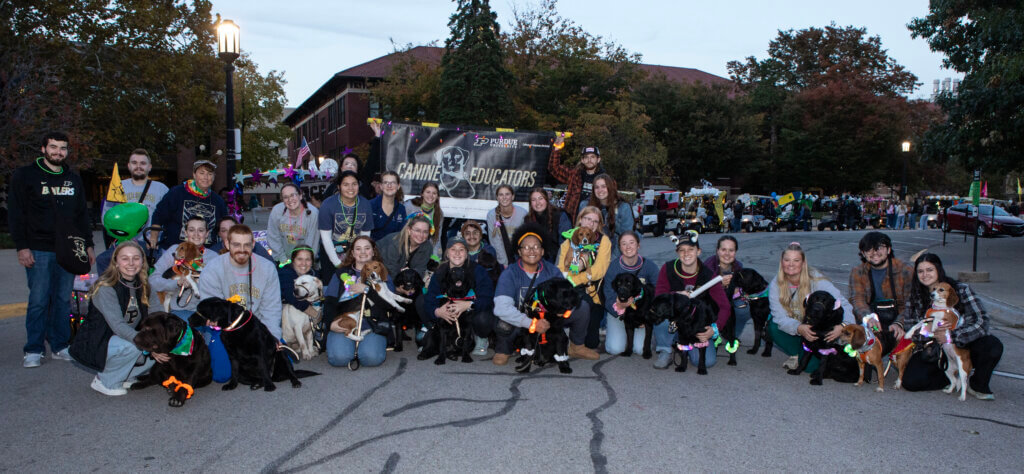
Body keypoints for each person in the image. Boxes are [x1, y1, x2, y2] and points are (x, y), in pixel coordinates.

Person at [9, 131, 95, 368]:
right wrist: (22, 247)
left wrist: (88, 244)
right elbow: (16, 214)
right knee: (38, 299)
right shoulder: (25, 176)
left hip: (68, 249)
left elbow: (81, 216)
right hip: (38, 248)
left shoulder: (73, 179)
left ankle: (59, 345)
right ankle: (34, 349)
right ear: (43, 149)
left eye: (63, 148)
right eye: (54, 147)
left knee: (62, 300)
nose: (58, 152)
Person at [489, 223, 597, 366]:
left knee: (582, 307)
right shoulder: (510, 274)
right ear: (519, 252)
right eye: (526, 247)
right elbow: (501, 308)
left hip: (549, 318)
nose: (531, 251)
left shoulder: (552, 271)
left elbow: (570, 296)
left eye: (536, 247)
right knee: (503, 322)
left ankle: (576, 346)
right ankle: (504, 349)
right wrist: (532, 324)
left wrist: (564, 311)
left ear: (542, 251)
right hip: (522, 318)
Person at [899, 254, 1003, 399]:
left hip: (963, 341)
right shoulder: (915, 296)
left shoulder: (960, 290)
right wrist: (933, 332)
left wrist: (952, 335)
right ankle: (953, 376)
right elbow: (912, 328)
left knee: (992, 346)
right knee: (911, 382)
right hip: (936, 348)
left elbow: (981, 321)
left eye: (929, 270)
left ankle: (978, 384)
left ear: (939, 270)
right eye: (920, 271)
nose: (925, 275)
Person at [72, 242, 162, 396]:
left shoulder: (146, 285)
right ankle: (105, 380)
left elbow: (158, 317)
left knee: (162, 353)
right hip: (100, 339)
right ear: (116, 262)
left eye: (136, 258)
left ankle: (126, 375)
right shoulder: (106, 287)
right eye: (125, 259)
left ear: (142, 261)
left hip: (124, 337)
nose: (131, 263)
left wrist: (160, 343)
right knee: (135, 346)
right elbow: (118, 326)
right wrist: (149, 345)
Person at [768, 242, 855, 373]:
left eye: (796, 260)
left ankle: (809, 355)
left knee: (811, 368)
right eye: (787, 260)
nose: (791, 264)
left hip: (819, 333)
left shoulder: (817, 281)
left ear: (803, 263)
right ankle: (796, 353)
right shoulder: (776, 283)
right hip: (798, 329)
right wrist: (798, 328)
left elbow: (844, 305)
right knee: (772, 326)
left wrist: (843, 326)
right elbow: (779, 317)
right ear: (782, 262)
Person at [651, 231, 731, 369]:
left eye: (690, 249)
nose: (686, 254)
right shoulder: (668, 269)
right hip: (672, 321)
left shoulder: (708, 275)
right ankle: (665, 349)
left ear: (698, 251)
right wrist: (677, 294)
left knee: (707, 362)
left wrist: (714, 329)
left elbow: (725, 307)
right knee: (661, 315)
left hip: (694, 324)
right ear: (677, 252)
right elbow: (659, 297)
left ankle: (678, 343)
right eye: (681, 250)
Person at [198, 224, 282, 340]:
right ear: (227, 244)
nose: (242, 250)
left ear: (253, 244)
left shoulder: (267, 268)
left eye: (246, 245)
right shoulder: (212, 269)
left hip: (257, 327)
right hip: (224, 330)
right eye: (236, 245)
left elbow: (271, 311)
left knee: (281, 355)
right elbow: (215, 312)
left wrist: (273, 339)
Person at [321, 236, 391, 367]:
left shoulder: (382, 272)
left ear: (373, 251)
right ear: (353, 253)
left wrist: (367, 290)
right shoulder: (340, 274)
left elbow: (389, 305)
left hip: (371, 324)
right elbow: (329, 302)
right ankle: (348, 346)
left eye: (367, 248)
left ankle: (364, 347)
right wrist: (330, 323)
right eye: (358, 249)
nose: (363, 252)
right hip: (344, 322)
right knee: (339, 358)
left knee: (371, 358)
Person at [423, 238, 496, 357]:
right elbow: (430, 297)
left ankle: (480, 336)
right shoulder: (440, 272)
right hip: (448, 311)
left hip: (470, 313)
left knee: (484, 317)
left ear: (466, 253)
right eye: (453, 249)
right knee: (421, 301)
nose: (457, 253)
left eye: (461, 250)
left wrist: (469, 305)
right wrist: (437, 312)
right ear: (447, 253)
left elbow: (488, 298)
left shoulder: (478, 270)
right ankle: (434, 336)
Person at [558, 206, 612, 352]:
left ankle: (578, 336)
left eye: (595, 221)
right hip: (569, 288)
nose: (590, 223)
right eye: (588, 219)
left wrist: (575, 278)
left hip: (591, 291)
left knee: (591, 343)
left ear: (599, 224)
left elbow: (598, 271)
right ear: (581, 219)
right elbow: (561, 269)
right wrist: (572, 278)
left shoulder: (604, 241)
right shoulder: (568, 241)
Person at [149, 217, 218, 321]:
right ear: (185, 233)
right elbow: (152, 280)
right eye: (191, 230)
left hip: (205, 312)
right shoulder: (174, 251)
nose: (196, 234)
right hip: (178, 310)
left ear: (207, 233)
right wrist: (176, 284)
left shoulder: (214, 258)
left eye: (200, 230)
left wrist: (197, 284)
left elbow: (218, 288)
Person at [602, 231, 660, 356]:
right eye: (624, 244)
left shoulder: (650, 266)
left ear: (638, 245)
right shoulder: (613, 267)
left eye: (631, 243)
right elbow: (608, 294)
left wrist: (651, 315)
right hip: (619, 311)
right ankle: (615, 332)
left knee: (639, 350)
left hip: (642, 312)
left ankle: (652, 337)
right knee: (615, 349)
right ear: (620, 248)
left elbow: (659, 290)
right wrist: (619, 308)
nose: (628, 247)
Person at [150, 159, 227, 250]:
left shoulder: (218, 201)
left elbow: (224, 225)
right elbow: (159, 216)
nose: (206, 177)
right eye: (202, 173)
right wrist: (153, 238)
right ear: (194, 175)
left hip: (206, 254)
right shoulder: (177, 193)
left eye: (210, 174)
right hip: (174, 251)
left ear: (214, 177)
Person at [100, 148, 169, 249]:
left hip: (151, 245)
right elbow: (107, 217)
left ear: (149, 167)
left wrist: (157, 237)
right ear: (129, 166)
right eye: (134, 163)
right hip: (124, 244)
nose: (138, 166)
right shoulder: (118, 187)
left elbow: (168, 217)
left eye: (143, 163)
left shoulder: (161, 189)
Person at [848, 232, 912, 339]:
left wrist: (899, 323)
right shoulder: (857, 272)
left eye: (879, 248)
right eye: (869, 250)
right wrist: (869, 318)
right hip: (872, 322)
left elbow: (911, 303)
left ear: (888, 250)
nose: (874, 253)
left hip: (901, 321)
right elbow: (857, 300)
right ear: (863, 253)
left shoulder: (905, 270)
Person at [318, 170, 375, 280]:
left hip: (355, 254)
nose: (351, 188)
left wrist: (361, 259)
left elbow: (365, 237)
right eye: (346, 184)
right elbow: (326, 238)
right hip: (331, 252)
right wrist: (337, 263)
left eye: (354, 184)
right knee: (333, 289)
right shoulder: (327, 205)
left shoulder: (365, 204)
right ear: (339, 187)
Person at [703, 235, 752, 346]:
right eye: (723, 249)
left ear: (735, 252)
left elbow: (742, 286)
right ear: (717, 250)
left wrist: (739, 289)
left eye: (731, 250)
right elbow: (702, 291)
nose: (727, 254)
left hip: (730, 298)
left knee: (744, 309)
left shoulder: (738, 266)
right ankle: (713, 333)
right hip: (711, 301)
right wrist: (719, 285)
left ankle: (732, 336)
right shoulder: (708, 265)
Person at [547, 135, 605, 222]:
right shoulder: (575, 175)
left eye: (592, 157)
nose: (589, 160)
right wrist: (557, 147)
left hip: (594, 222)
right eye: (586, 157)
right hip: (573, 219)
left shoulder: (605, 179)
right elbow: (554, 168)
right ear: (582, 160)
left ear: (598, 159)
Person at [578, 175, 635, 255]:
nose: (600, 190)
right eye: (597, 187)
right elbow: (579, 232)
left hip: (614, 254)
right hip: (590, 253)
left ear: (610, 187)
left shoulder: (623, 207)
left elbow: (627, 236)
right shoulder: (585, 206)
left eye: (603, 186)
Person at [266, 183, 320, 265]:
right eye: (285, 197)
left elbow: (312, 242)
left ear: (300, 196)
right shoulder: (277, 211)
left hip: (306, 262)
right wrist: (283, 260)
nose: (290, 199)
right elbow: (273, 237)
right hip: (283, 260)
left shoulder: (312, 214)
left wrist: (303, 263)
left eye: (293, 195)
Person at [278, 246, 320, 343]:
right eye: (299, 259)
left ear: (312, 262)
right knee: (291, 307)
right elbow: (293, 298)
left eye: (308, 260)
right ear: (293, 260)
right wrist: (316, 315)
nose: (304, 264)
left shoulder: (314, 274)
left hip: (305, 312)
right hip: (283, 312)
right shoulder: (285, 273)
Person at [524, 187, 571, 263]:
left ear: (546, 200)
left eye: (540, 198)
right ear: (530, 203)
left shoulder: (560, 215)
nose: (538, 202)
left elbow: (565, 245)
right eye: (534, 200)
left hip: (556, 257)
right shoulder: (528, 219)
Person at [486, 184, 528, 267]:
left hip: (519, 256)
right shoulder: (491, 215)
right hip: (501, 258)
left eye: (507, 194)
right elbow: (495, 241)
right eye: (501, 195)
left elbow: (525, 240)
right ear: (497, 198)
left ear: (512, 197)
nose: (504, 197)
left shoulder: (523, 213)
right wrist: (504, 263)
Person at [209, 216, 273, 262]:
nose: (229, 233)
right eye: (224, 230)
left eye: (232, 228)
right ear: (219, 234)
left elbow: (270, 264)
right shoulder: (213, 252)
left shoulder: (253, 246)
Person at [404, 182, 444, 256]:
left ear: (437, 196)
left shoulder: (439, 214)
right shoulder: (410, 206)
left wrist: (435, 257)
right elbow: (401, 228)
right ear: (422, 194)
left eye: (434, 193)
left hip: (424, 250)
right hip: (406, 246)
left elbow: (436, 239)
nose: (431, 195)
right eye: (428, 192)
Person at [369, 171, 407, 241]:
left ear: (398, 186)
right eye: (386, 182)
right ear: (381, 186)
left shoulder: (401, 209)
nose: (389, 186)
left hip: (393, 249)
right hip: (373, 249)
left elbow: (401, 234)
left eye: (393, 183)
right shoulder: (370, 205)